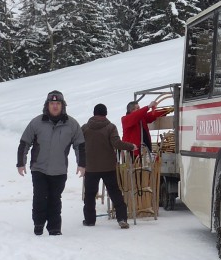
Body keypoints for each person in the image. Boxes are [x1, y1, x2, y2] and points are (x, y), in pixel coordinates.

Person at [17, 90, 85, 236]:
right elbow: (25, 142)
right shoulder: (36, 122)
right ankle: (39, 224)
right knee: (40, 197)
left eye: (58, 103)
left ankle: (54, 227)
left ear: (63, 106)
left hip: (59, 170)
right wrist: (20, 163)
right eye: (52, 103)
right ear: (47, 105)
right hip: (39, 168)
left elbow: (80, 145)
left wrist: (82, 164)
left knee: (55, 199)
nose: (55, 106)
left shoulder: (71, 124)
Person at [82, 103, 137, 229]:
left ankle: (90, 220)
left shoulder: (85, 128)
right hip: (108, 167)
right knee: (115, 193)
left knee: (90, 195)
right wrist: (131, 146)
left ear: (94, 113)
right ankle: (122, 218)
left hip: (91, 167)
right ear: (105, 114)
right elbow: (117, 143)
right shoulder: (110, 127)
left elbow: (78, 143)